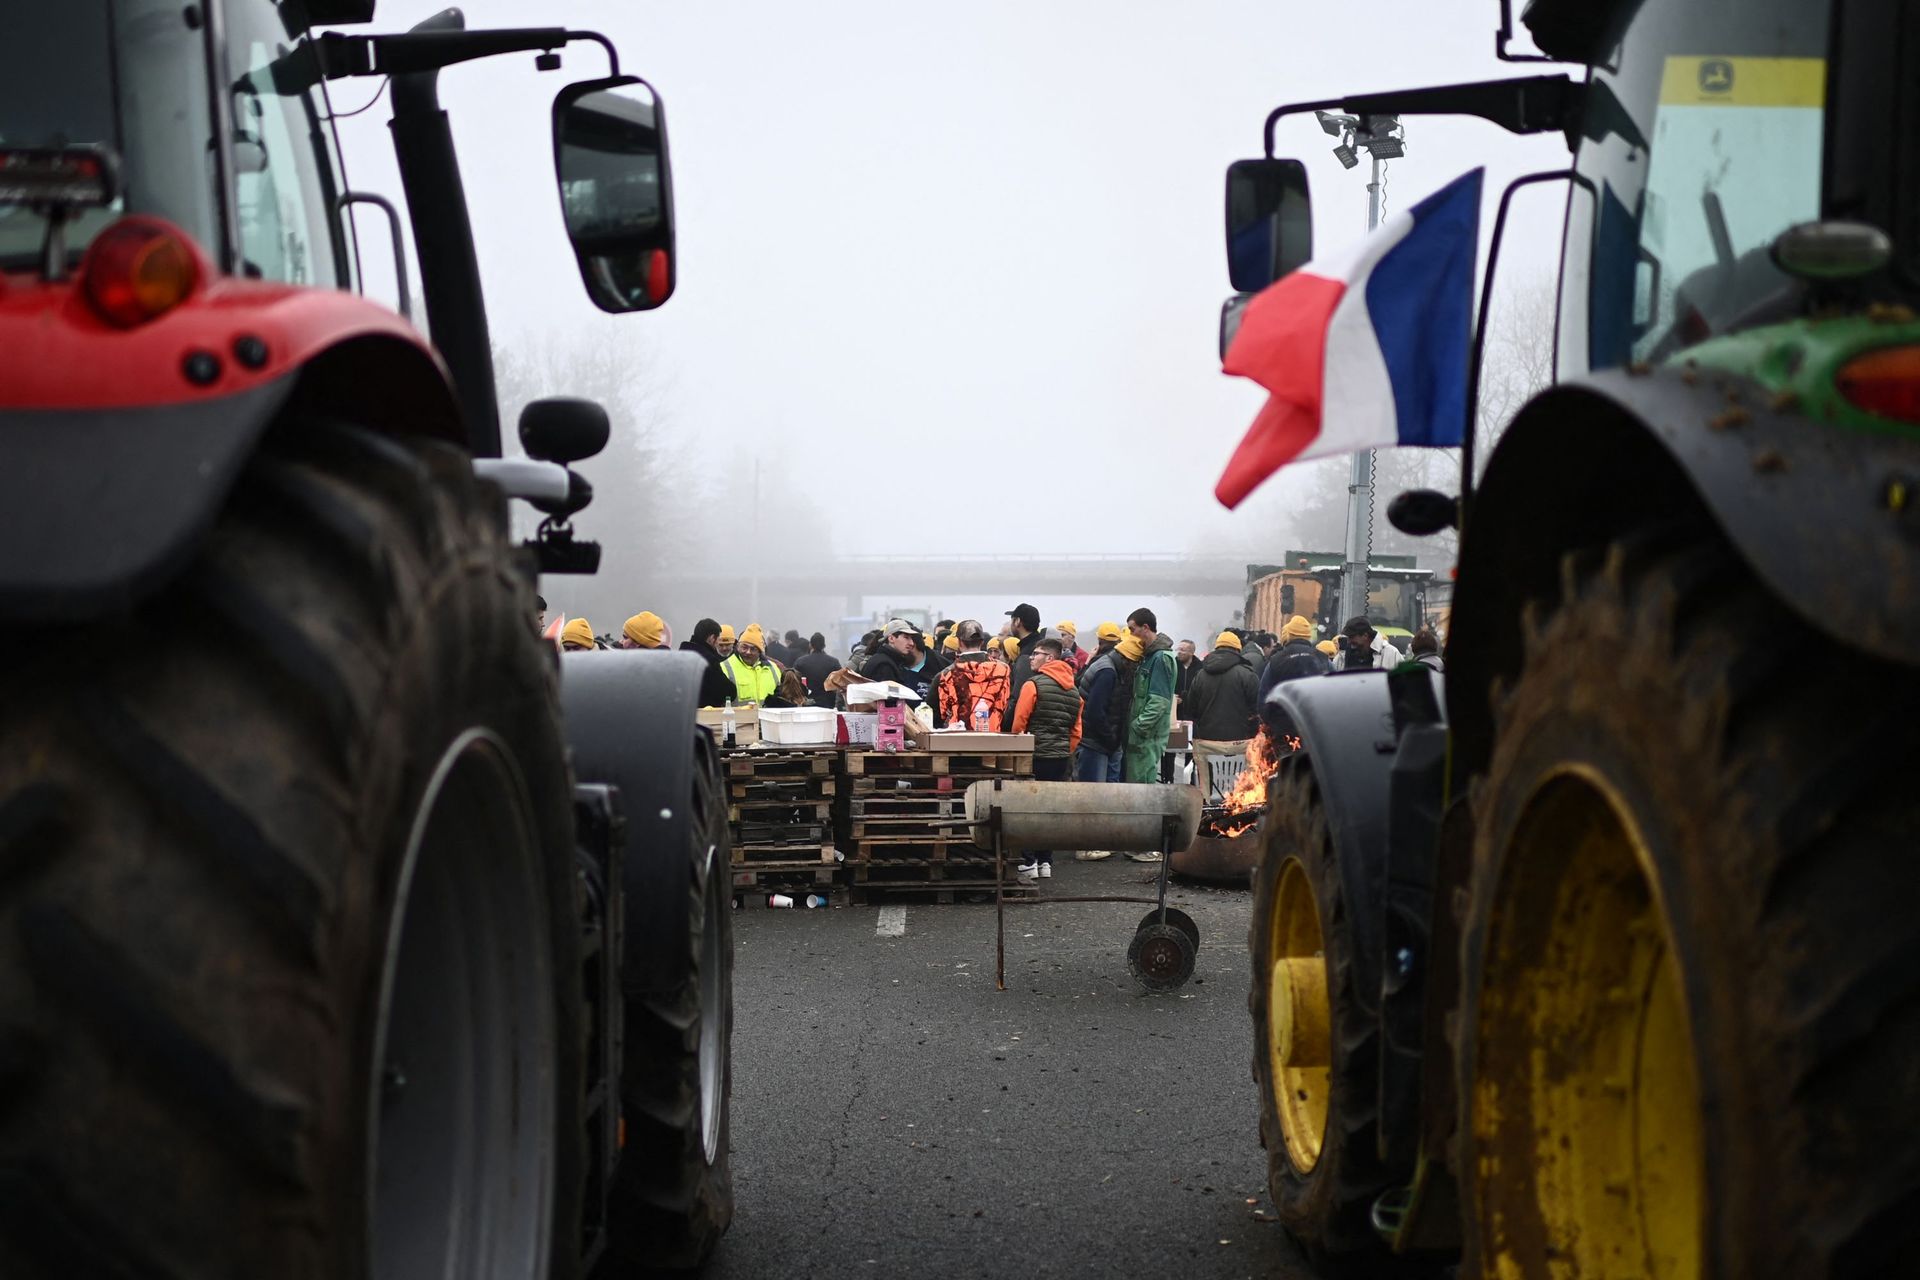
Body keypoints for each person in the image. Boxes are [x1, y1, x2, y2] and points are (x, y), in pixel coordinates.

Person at [1009, 637, 1082, 881]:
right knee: (1049, 809)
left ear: (1050, 658)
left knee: (1027, 808)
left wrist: (1020, 745)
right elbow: (1076, 731)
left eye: (1037, 653)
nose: (1031, 657)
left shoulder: (1033, 684)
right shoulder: (1073, 690)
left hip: (1034, 755)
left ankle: (1028, 861)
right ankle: (1045, 861)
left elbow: (1019, 722)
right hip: (1060, 758)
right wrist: (1062, 749)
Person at [1187, 631, 1260, 796]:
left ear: (1216, 649)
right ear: (1237, 650)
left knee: (1206, 786)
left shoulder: (1201, 675)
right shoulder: (1247, 675)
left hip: (1207, 745)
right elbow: (1256, 710)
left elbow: (1191, 709)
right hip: (1242, 746)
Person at [1122, 608, 1178, 819]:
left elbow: (1159, 701)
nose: (1130, 635)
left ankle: (1143, 848)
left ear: (1146, 628)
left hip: (1146, 737)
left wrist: (1139, 727)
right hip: (1141, 737)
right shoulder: (1148, 657)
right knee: (1136, 791)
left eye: (1132, 629)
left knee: (1142, 792)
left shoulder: (1161, 658)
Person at [936, 620, 1012, 729]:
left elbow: (943, 711)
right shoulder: (1003, 669)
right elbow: (1006, 704)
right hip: (994, 737)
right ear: (981, 642)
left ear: (959, 642)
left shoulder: (947, 674)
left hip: (958, 738)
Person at [1260, 615, 1333, 703]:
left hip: (1283, 714)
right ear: (1308, 636)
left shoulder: (1275, 661)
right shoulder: (1323, 659)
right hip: (1315, 714)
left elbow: (1263, 695)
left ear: (1289, 635)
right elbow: (1335, 691)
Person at [857, 618, 933, 702]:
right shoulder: (884, 665)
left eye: (911, 638)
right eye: (906, 637)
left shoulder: (888, 661)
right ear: (891, 639)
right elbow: (888, 703)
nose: (911, 643)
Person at [1000, 602, 1044, 730]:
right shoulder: (1042, 646)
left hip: (1029, 726)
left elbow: (1019, 696)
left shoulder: (1027, 654)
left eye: (1012, 620)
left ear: (1018, 621)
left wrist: (1006, 727)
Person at [682, 617, 741, 707]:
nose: (719, 644)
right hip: (704, 716)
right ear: (712, 638)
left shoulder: (681, 655)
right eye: (718, 640)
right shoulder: (708, 660)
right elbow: (728, 692)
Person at [723, 624, 780, 703]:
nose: (748, 652)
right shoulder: (724, 667)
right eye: (744, 647)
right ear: (737, 647)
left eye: (753, 649)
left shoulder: (773, 668)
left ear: (760, 651)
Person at [1335, 615, 1404, 670]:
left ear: (1365, 635)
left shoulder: (1391, 653)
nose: (1349, 641)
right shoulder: (1344, 653)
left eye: (1352, 637)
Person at [794, 632, 842, 708]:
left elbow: (794, 683)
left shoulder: (800, 662)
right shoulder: (833, 662)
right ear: (824, 646)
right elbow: (840, 684)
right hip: (828, 703)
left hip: (807, 702)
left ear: (810, 645)